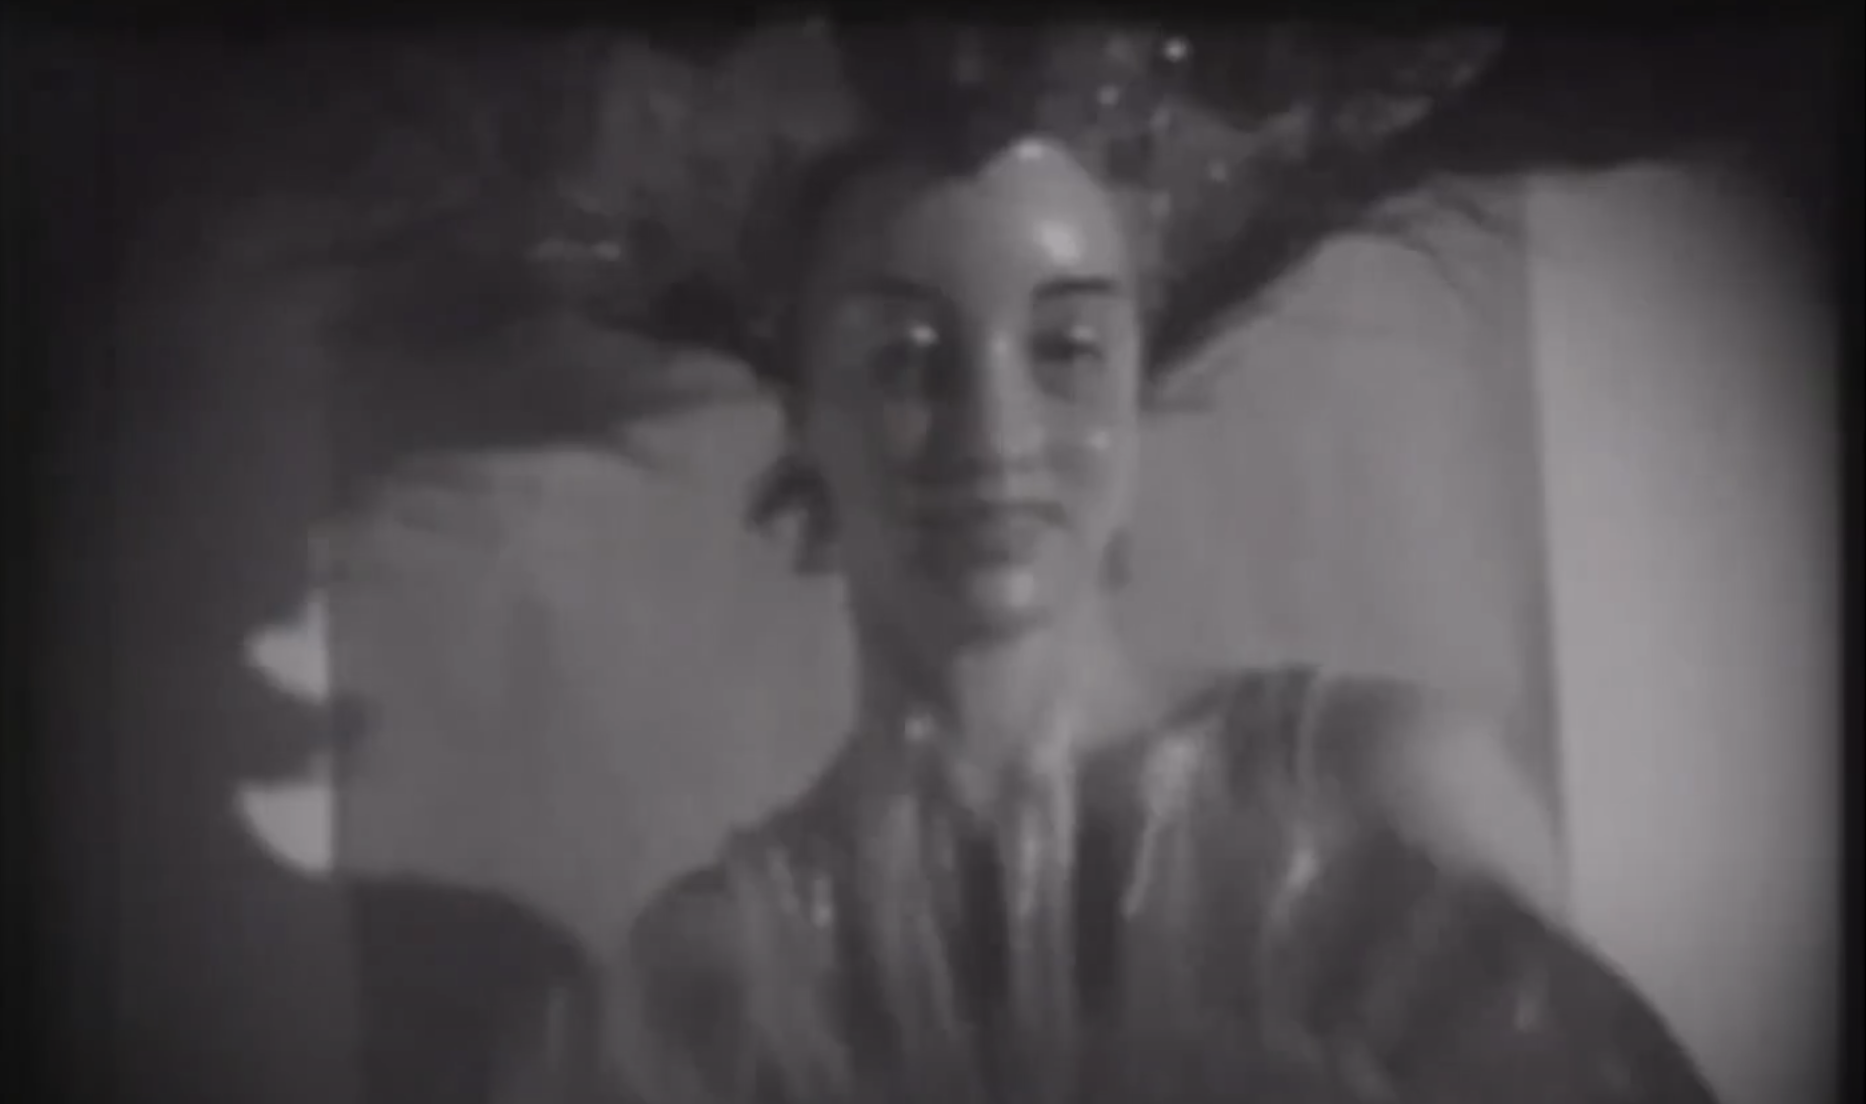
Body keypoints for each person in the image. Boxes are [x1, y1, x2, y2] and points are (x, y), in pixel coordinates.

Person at [485, 22, 1722, 1104]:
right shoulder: (714, 986)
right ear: (807, 407)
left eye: (1067, 349)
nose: (996, 436)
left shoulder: (1380, 797)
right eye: (908, 358)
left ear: (1136, 383)